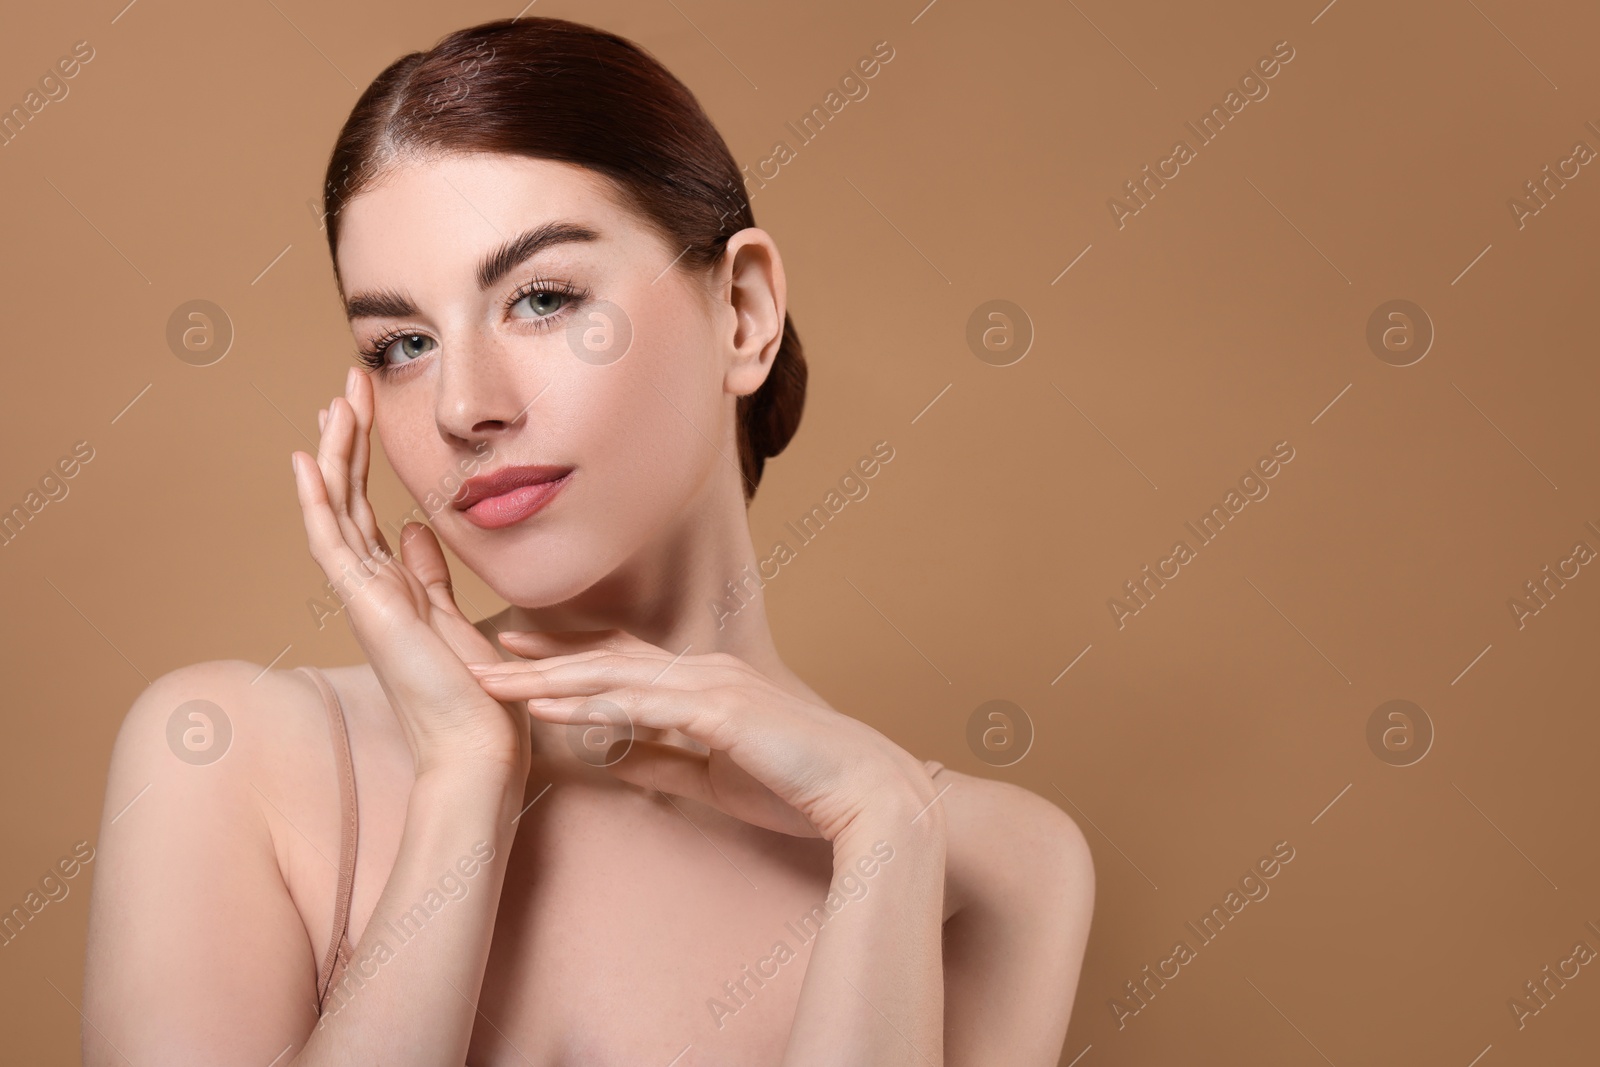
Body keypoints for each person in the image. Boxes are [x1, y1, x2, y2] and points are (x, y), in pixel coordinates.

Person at [82, 15, 1093, 1065]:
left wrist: (882, 825)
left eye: (542, 297)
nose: (463, 406)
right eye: (403, 345)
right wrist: (463, 783)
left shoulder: (996, 862)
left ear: (743, 313)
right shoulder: (229, 753)